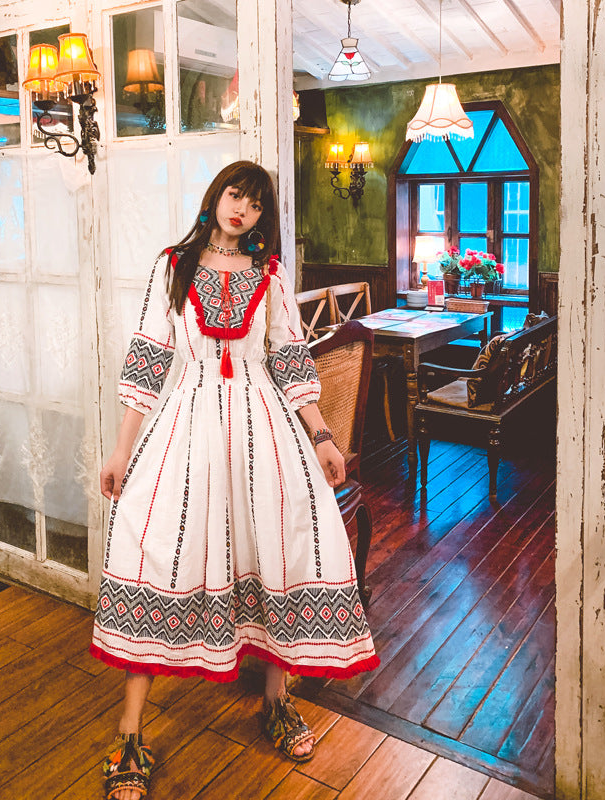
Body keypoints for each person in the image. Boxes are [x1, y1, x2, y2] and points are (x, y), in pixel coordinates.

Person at [92, 160, 378, 800]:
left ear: (262, 216)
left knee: (278, 548)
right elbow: (149, 357)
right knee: (157, 552)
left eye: (254, 203)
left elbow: (289, 357)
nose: (240, 208)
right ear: (215, 197)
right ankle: (130, 730)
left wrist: (321, 436)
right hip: (187, 425)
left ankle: (276, 699)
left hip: (263, 427)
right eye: (233, 194)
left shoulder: (270, 274)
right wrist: (121, 449)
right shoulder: (173, 266)